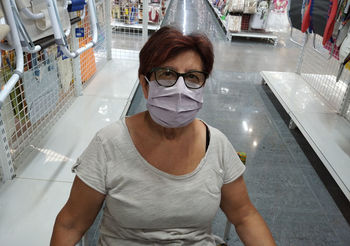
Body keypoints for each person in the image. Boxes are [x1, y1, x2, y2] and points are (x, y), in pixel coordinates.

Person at [50, 26, 276, 246]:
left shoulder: (217, 145)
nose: (179, 89)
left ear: (202, 84)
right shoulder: (108, 145)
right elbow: (70, 225)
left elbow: (245, 217)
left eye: (192, 77)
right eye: (166, 74)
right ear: (145, 84)